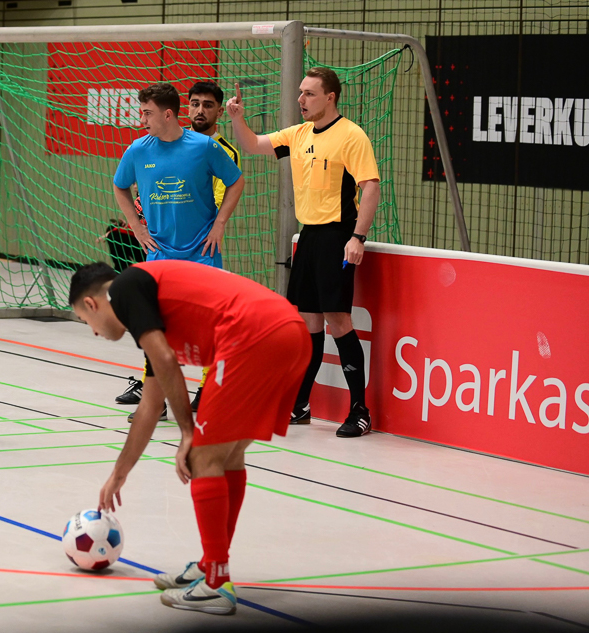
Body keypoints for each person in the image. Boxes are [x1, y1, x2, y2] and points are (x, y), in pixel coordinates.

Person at [69, 260, 310, 615]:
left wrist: (187, 432)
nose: (93, 332)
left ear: (92, 303)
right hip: (290, 333)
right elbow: (150, 405)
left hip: (253, 334)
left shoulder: (124, 289)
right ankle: (212, 563)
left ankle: (216, 582)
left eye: (84, 320)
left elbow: (167, 360)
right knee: (226, 456)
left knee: (202, 456)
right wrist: (119, 473)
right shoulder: (148, 315)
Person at [227, 67, 380, 438]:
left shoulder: (352, 135)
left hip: (337, 236)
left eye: (309, 93)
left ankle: (360, 411)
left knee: (338, 320)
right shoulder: (297, 134)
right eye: (300, 92)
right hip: (308, 236)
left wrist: (357, 237)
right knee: (309, 322)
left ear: (330, 97)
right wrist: (237, 119)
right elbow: (253, 145)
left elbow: (371, 187)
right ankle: (301, 405)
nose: (301, 100)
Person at [112, 82, 245, 422]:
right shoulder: (138, 150)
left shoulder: (204, 147)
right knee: (154, 329)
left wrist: (220, 224)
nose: (142, 120)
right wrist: (137, 227)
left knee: (207, 325)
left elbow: (236, 181)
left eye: (147, 113)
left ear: (168, 115)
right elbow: (120, 186)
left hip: (202, 252)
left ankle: (210, 392)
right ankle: (155, 401)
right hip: (160, 255)